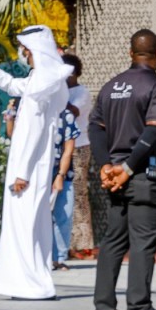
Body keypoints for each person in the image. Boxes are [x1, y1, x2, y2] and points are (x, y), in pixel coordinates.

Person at [0, 27, 72, 301]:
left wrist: (22, 173)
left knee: (24, 225)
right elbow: (13, 85)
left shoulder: (42, 86)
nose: (22, 54)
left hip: (29, 169)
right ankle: (29, 282)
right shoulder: (42, 81)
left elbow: (33, 131)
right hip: (31, 167)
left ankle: (30, 284)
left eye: (25, 49)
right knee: (29, 225)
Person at [89, 29, 156, 310]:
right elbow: (153, 130)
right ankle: (139, 307)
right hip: (142, 176)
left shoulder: (111, 86)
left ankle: (104, 306)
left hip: (113, 177)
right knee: (142, 242)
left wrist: (105, 165)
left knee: (113, 240)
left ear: (130, 52)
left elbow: (95, 128)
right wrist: (127, 169)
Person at [52, 52, 85, 265]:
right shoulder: (39, 113)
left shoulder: (67, 114)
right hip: (43, 171)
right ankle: (48, 255)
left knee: (64, 213)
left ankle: (60, 256)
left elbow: (68, 148)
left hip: (64, 169)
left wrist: (61, 174)